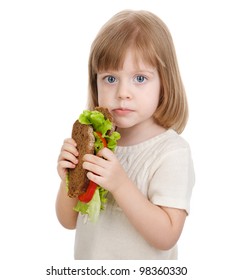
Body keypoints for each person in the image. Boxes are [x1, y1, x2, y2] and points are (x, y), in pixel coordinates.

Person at [56, 9, 195, 260]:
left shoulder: (171, 152)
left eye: (140, 78)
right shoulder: (96, 142)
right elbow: (68, 221)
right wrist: (68, 180)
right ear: (94, 82)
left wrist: (120, 185)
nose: (123, 92)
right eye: (110, 78)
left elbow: (167, 237)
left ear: (165, 83)